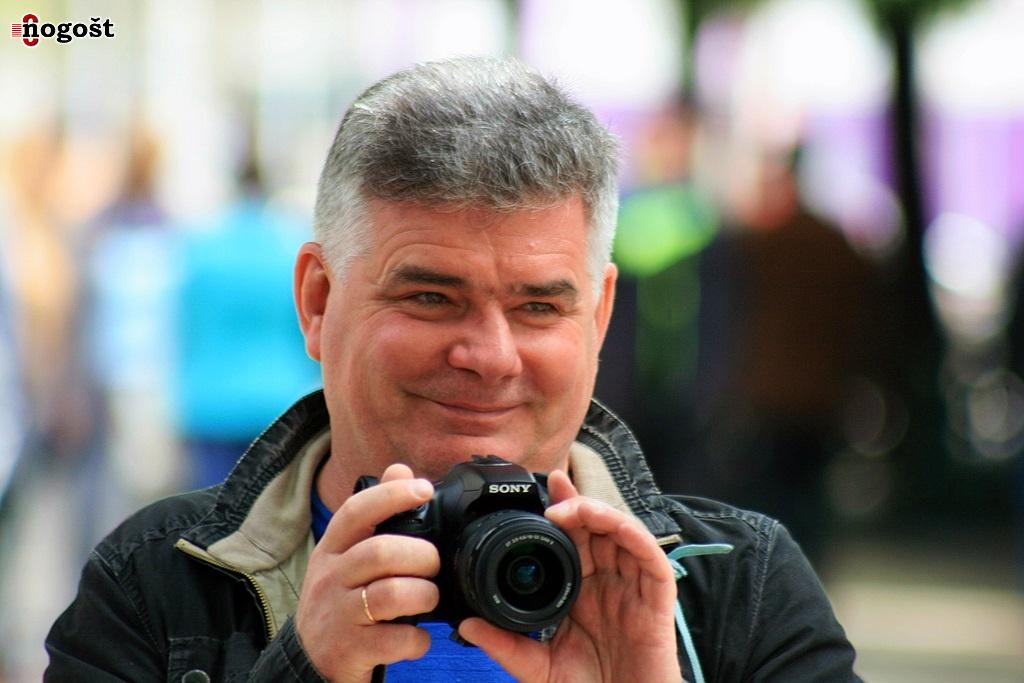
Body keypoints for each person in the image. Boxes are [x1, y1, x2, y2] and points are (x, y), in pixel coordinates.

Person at [45, 57, 860, 682]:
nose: (490, 356)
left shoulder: (741, 586)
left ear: (599, 317)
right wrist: (301, 668)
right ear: (319, 300)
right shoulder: (153, 584)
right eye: (432, 297)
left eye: (538, 307)